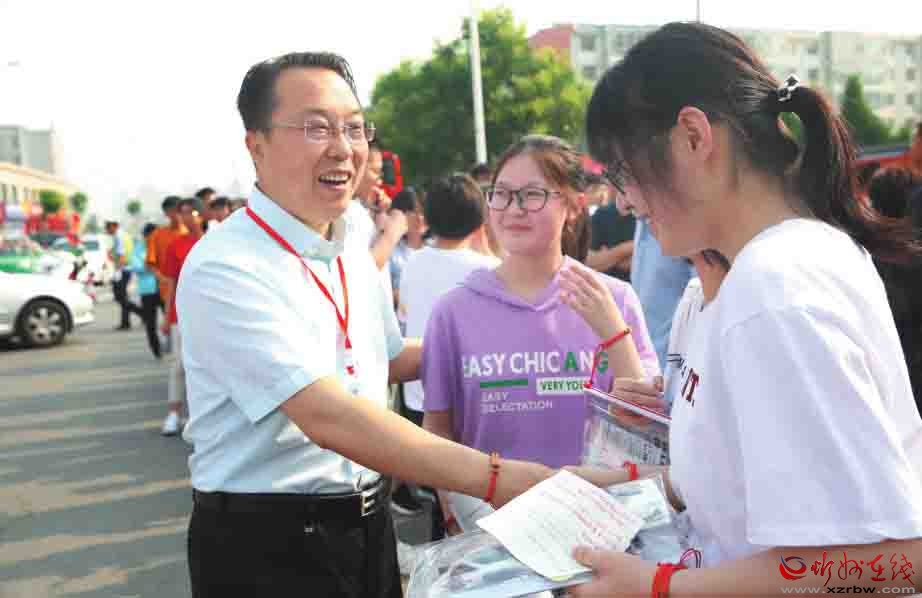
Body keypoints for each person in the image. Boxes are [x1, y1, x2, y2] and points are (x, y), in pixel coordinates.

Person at [178, 51, 554, 598]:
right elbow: (326, 415)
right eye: (316, 128)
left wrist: (524, 346)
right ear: (256, 145)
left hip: (368, 525)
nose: (343, 147)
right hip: (269, 542)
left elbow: (389, 358)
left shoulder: (351, 244)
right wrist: (496, 477)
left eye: (354, 128)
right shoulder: (227, 265)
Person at [569, 22, 922, 596]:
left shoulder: (773, 290)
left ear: (692, 136)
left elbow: (892, 567)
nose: (626, 202)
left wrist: (658, 587)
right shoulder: (771, 269)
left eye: (624, 173)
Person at [421, 135, 659, 532]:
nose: (514, 209)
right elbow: (438, 430)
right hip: (489, 533)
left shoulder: (613, 299)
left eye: (532, 195)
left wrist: (614, 334)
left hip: (599, 529)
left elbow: (643, 429)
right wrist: (455, 510)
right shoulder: (453, 311)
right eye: (501, 194)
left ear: (574, 205)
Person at [393, 174, 501, 523]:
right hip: (466, 399)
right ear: (479, 218)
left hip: (417, 394)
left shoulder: (413, 262)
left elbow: (405, 313)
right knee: (470, 495)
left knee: (442, 495)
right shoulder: (488, 269)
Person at [159, 198, 204, 436]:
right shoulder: (176, 246)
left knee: (207, 368)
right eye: (183, 212)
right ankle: (174, 413)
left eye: (190, 212)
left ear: (201, 214)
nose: (186, 217)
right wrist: (167, 317)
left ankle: (198, 415)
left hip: (210, 315)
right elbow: (172, 283)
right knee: (179, 364)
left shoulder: (215, 241)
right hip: (181, 315)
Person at [146, 196, 187, 351]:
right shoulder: (157, 235)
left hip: (188, 290)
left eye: (179, 211)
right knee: (173, 329)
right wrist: (164, 279)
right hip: (167, 292)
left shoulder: (191, 234)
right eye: (172, 211)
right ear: (166, 213)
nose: (176, 215)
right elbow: (150, 263)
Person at [387, 187, 427, 320]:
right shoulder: (391, 251)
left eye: (423, 212)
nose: (420, 218)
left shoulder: (438, 248)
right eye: (413, 212)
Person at [125, 223, 162, 359]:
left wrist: (151, 267)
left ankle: (173, 345)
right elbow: (136, 266)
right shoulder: (138, 249)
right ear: (145, 236)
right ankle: (156, 349)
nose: (154, 239)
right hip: (148, 290)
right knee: (150, 323)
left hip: (164, 289)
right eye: (151, 236)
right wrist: (150, 267)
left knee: (172, 321)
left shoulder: (162, 246)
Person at [586, 179, 635, 281]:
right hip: (607, 286)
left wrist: (608, 257)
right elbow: (589, 263)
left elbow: (651, 264)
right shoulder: (602, 214)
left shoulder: (650, 217)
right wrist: (627, 248)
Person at [106, 220, 134, 330]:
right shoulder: (124, 235)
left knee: (120, 297)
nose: (107, 230)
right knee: (122, 298)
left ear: (114, 226)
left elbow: (121, 256)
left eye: (108, 227)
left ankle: (142, 313)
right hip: (126, 269)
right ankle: (126, 322)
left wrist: (117, 272)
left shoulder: (119, 237)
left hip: (122, 270)